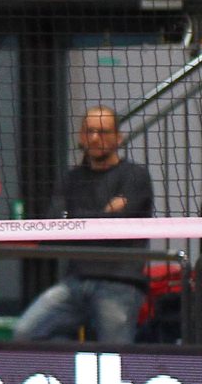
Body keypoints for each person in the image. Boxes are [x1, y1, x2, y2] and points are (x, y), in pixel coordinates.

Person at [13, 105, 156, 343]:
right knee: (25, 332)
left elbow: (118, 225)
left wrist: (75, 219)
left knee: (114, 353)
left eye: (103, 131)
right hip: (76, 280)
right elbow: (53, 225)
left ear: (118, 137)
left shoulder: (135, 176)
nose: (95, 138)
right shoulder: (72, 179)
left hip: (120, 282)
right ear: (81, 136)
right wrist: (102, 215)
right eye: (89, 131)